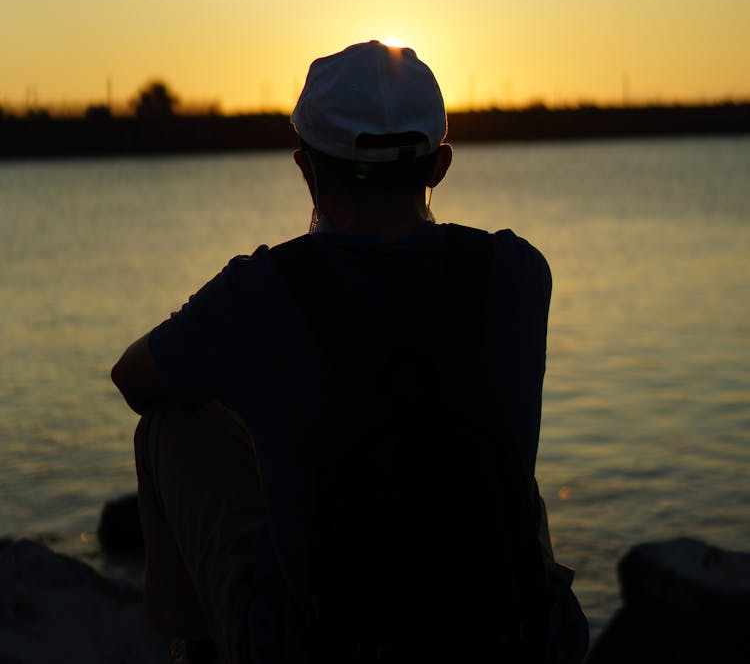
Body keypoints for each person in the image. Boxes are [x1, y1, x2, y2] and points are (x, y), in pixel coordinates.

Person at [112, 40, 588, 664]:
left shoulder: (263, 290)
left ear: (305, 168)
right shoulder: (519, 273)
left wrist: (255, 399)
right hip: (520, 637)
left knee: (172, 419)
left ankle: (197, 647)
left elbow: (133, 378)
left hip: (313, 647)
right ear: (439, 166)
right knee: (495, 451)